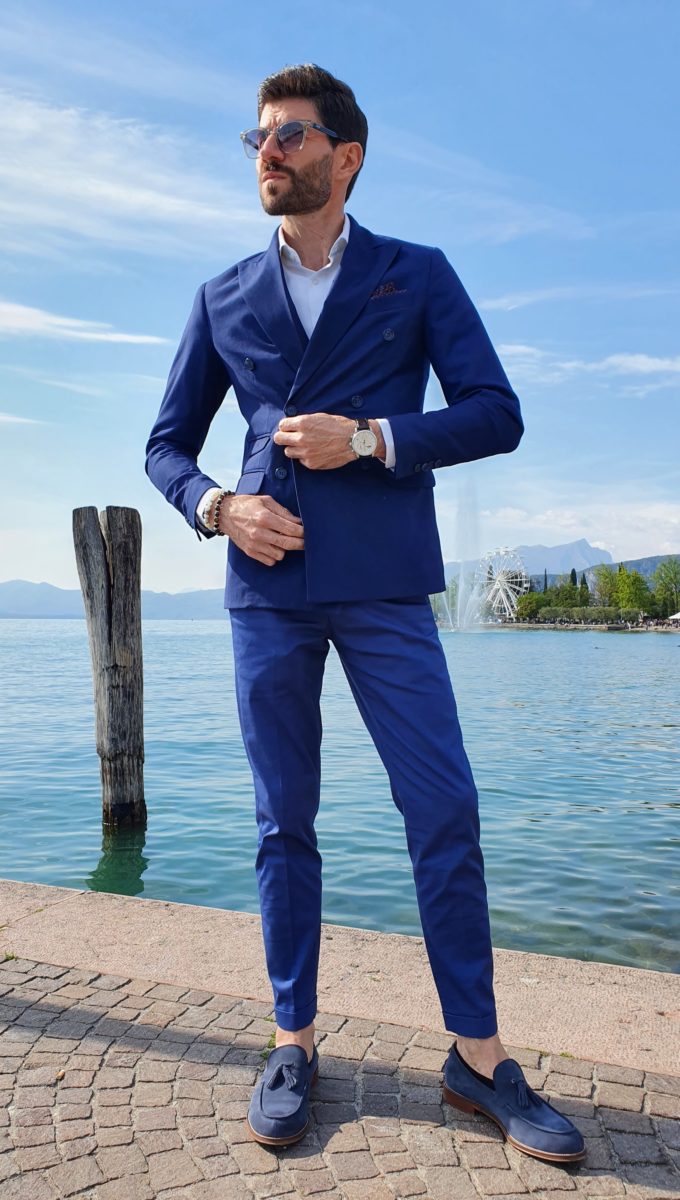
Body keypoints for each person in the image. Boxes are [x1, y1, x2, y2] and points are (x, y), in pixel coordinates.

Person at [145, 63, 585, 1163]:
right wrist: (219, 506)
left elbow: (495, 412)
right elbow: (165, 446)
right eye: (256, 136)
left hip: (386, 583)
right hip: (267, 588)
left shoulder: (415, 274)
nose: (266, 150)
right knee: (280, 820)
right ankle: (291, 1041)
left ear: (344, 156)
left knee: (444, 809)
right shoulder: (220, 295)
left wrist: (375, 438)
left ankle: (477, 1059)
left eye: (288, 134)